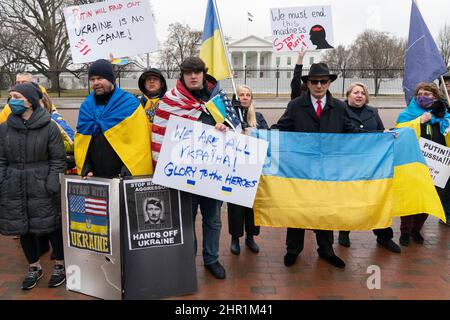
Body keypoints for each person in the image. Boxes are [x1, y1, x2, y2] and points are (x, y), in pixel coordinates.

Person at [152, 57, 241, 280]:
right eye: (188, 72)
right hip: (184, 176)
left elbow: (236, 131)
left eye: (197, 72)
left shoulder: (218, 98)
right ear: (182, 75)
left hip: (213, 174)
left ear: (204, 73)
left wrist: (225, 129)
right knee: (186, 221)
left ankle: (211, 259)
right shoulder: (171, 100)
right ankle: (186, 260)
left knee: (213, 220)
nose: (193, 76)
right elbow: (160, 133)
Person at [272, 63, 364, 269]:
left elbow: (351, 132)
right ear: (308, 83)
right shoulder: (296, 105)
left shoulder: (339, 107)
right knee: (298, 210)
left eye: (323, 81)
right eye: (315, 82)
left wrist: (380, 136)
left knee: (325, 210)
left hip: (328, 171)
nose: (319, 85)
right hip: (301, 170)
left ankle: (326, 250)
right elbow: (282, 127)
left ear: (329, 82)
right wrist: (261, 133)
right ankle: (293, 250)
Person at [0, 83, 67, 290]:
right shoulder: (5, 128)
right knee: (23, 227)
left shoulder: (49, 127)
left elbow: (58, 159)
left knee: (51, 225)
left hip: (42, 184)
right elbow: (1, 158)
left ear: (30, 101)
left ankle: (59, 266)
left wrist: (50, 183)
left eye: (17, 96)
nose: (13, 101)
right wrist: (3, 180)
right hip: (13, 184)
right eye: (11, 96)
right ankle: (34, 267)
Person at [337, 82, 401, 253]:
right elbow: (345, 133)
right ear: (348, 95)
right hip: (348, 164)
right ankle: (344, 232)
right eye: (356, 92)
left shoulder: (373, 112)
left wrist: (386, 134)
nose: (359, 96)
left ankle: (384, 237)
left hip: (371, 164)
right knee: (349, 200)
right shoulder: (339, 111)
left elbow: (381, 132)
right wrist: (379, 134)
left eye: (363, 93)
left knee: (376, 199)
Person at [75, 59, 153, 178]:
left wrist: (130, 167)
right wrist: (86, 165)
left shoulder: (130, 104)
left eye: (100, 78)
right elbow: (82, 141)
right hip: (96, 176)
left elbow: (140, 142)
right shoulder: (86, 107)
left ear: (111, 79)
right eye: (92, 79)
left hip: (122, 174)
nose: (95, 82)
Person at [397, 83, 450, 238]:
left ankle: (416, 229)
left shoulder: (443, 115)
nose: (423, 97)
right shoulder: (407, 114)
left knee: (428, 196)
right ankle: (405, 232)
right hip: (414, 161)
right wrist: (418, 121)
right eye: (420, 94)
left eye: (427, 94)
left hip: (437, 165)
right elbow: (399, 132)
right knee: (411, 197)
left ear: (435, 96)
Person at [228, 85, 268, 255]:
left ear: (251, 98)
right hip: (234, 168)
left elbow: (269, 136)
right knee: (236, 206)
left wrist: (255, 133)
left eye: (247, 95)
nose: (244, 97)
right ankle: (235, 238)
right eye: (241, 95)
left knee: (252, 206)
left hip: (253, 168)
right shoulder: (228, 117)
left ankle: (250, 237)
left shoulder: (257, 116)